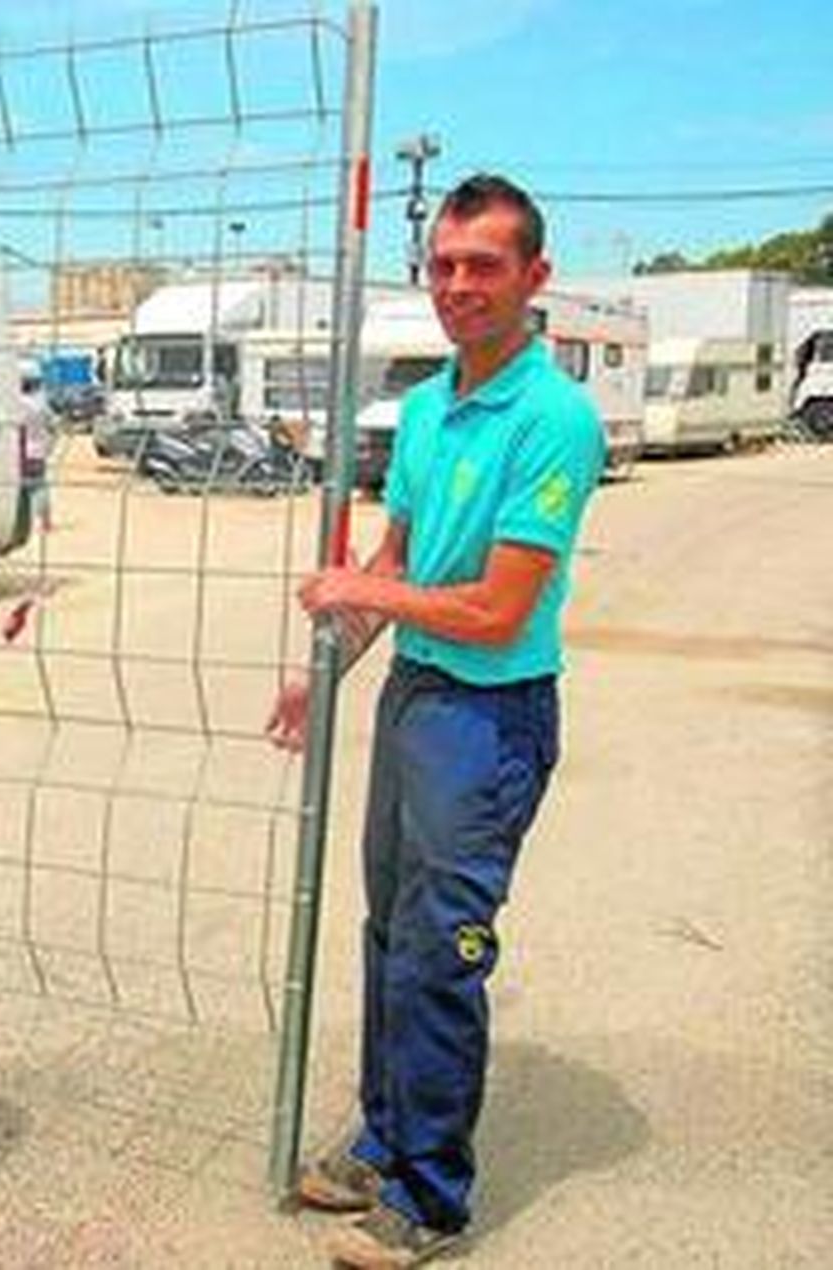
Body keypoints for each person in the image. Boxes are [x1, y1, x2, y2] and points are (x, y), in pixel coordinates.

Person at [266, 174, 605, 1268]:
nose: (459, 285)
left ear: (533, 278)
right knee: (385, 935)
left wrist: (354, 596)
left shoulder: (555, 419)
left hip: (489, 714)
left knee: (440, 952)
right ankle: (383, 1133)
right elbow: (395, 564)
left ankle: (431, 1190)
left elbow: (499, 609)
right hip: (415, 696)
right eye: (445, 265)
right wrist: (331, 672)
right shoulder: (423, 407)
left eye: (484, 265)